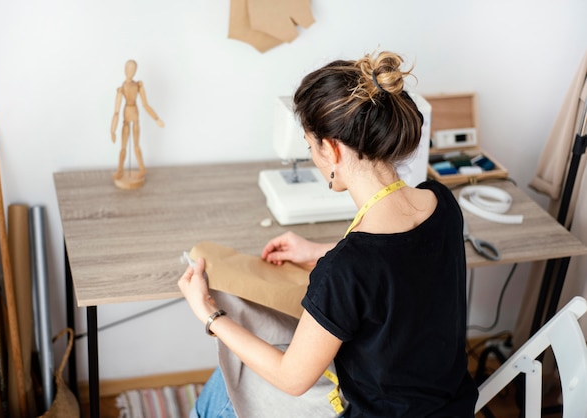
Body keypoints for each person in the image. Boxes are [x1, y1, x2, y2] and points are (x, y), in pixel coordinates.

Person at [178, 49, 478, 417]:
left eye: (310, 147)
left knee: (225, 386)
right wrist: (317, 250)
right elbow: (395, 265)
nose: (312, 158)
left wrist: (207, 312)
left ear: (332, 148)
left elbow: (292, 378)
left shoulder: (345, 270)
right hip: (451, 408)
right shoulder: (441, 203)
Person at [111, 59, 164, 181]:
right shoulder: (121, 88)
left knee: (136, 145)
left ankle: (142, 168)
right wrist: (112, 130)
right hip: (126, 114)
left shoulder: (138, 86)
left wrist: (157, 119)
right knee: (123, 146)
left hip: (134, 114)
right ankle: (120, 170)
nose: (130, 72)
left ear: (135, 71)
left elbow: (146, 105)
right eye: (128, 69)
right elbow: (116, 111)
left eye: (133, 69)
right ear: (124, 70)